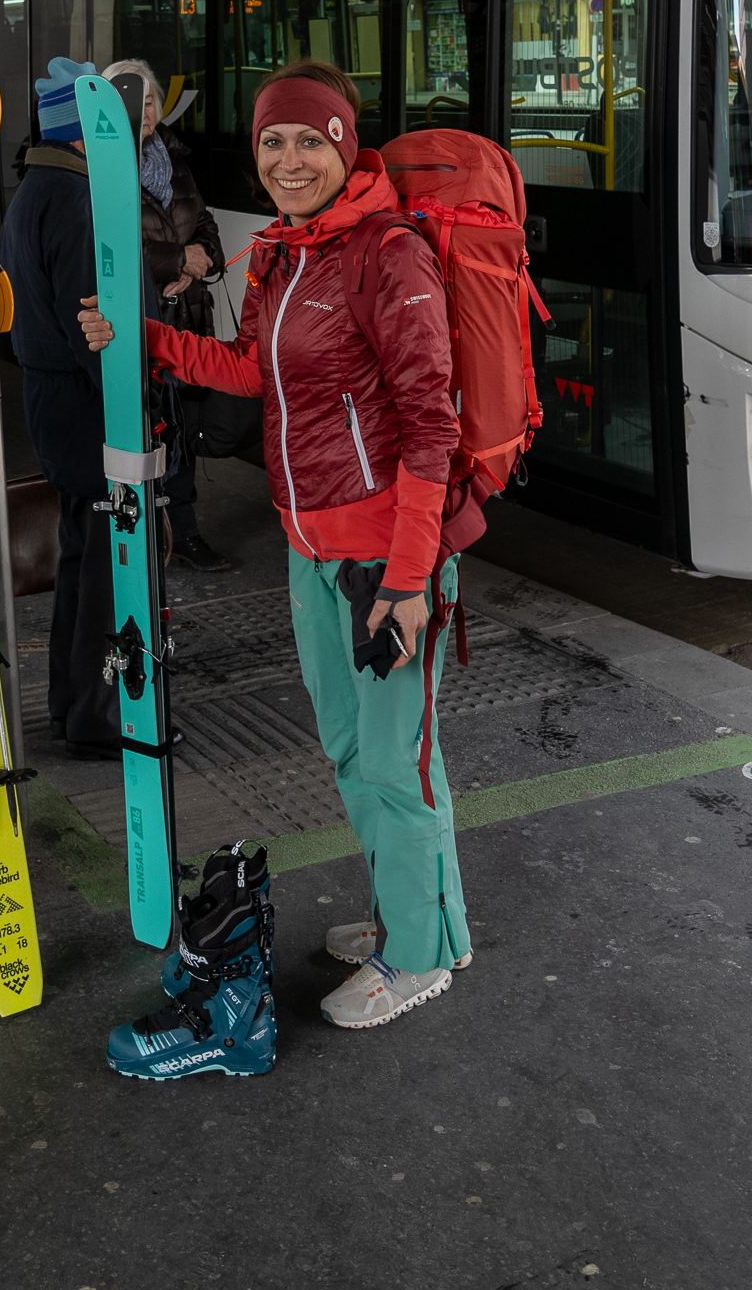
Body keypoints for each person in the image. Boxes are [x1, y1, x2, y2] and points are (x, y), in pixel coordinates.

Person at [78, 60, 480, 1031]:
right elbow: (254, 371)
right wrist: (146, 336)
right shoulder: (288, 252)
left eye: (311, 138)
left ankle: (421, 956)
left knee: (396, 760)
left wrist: (411, 575)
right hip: (315, 547)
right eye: (272, 140)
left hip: (389, 553)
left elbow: (434, 423)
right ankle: (430, 916)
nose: (290, 158)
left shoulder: (390, 253)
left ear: (346, 145)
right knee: (354, 749)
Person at [0, 58, 123, 758]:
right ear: (85, 134)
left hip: (52, 396)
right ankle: (101, 718)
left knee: (83, 557)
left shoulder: (35, 189)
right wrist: (134, 407)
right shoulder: (79, 200)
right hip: (87, 402)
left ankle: (71, 706)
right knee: (108, 564)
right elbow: (93, 322)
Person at [97, 56, 232, 574]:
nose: (145, 110)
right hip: (137, 321)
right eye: (133, 101)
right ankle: (139, 533)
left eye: (150, 99)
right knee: (141, 426)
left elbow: (206, 223)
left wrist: (199, 261)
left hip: (188, 315)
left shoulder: (174, 159)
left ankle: (186, 531)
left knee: (184, 427)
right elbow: (104, 243)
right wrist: (175, 261)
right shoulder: (98, 163)